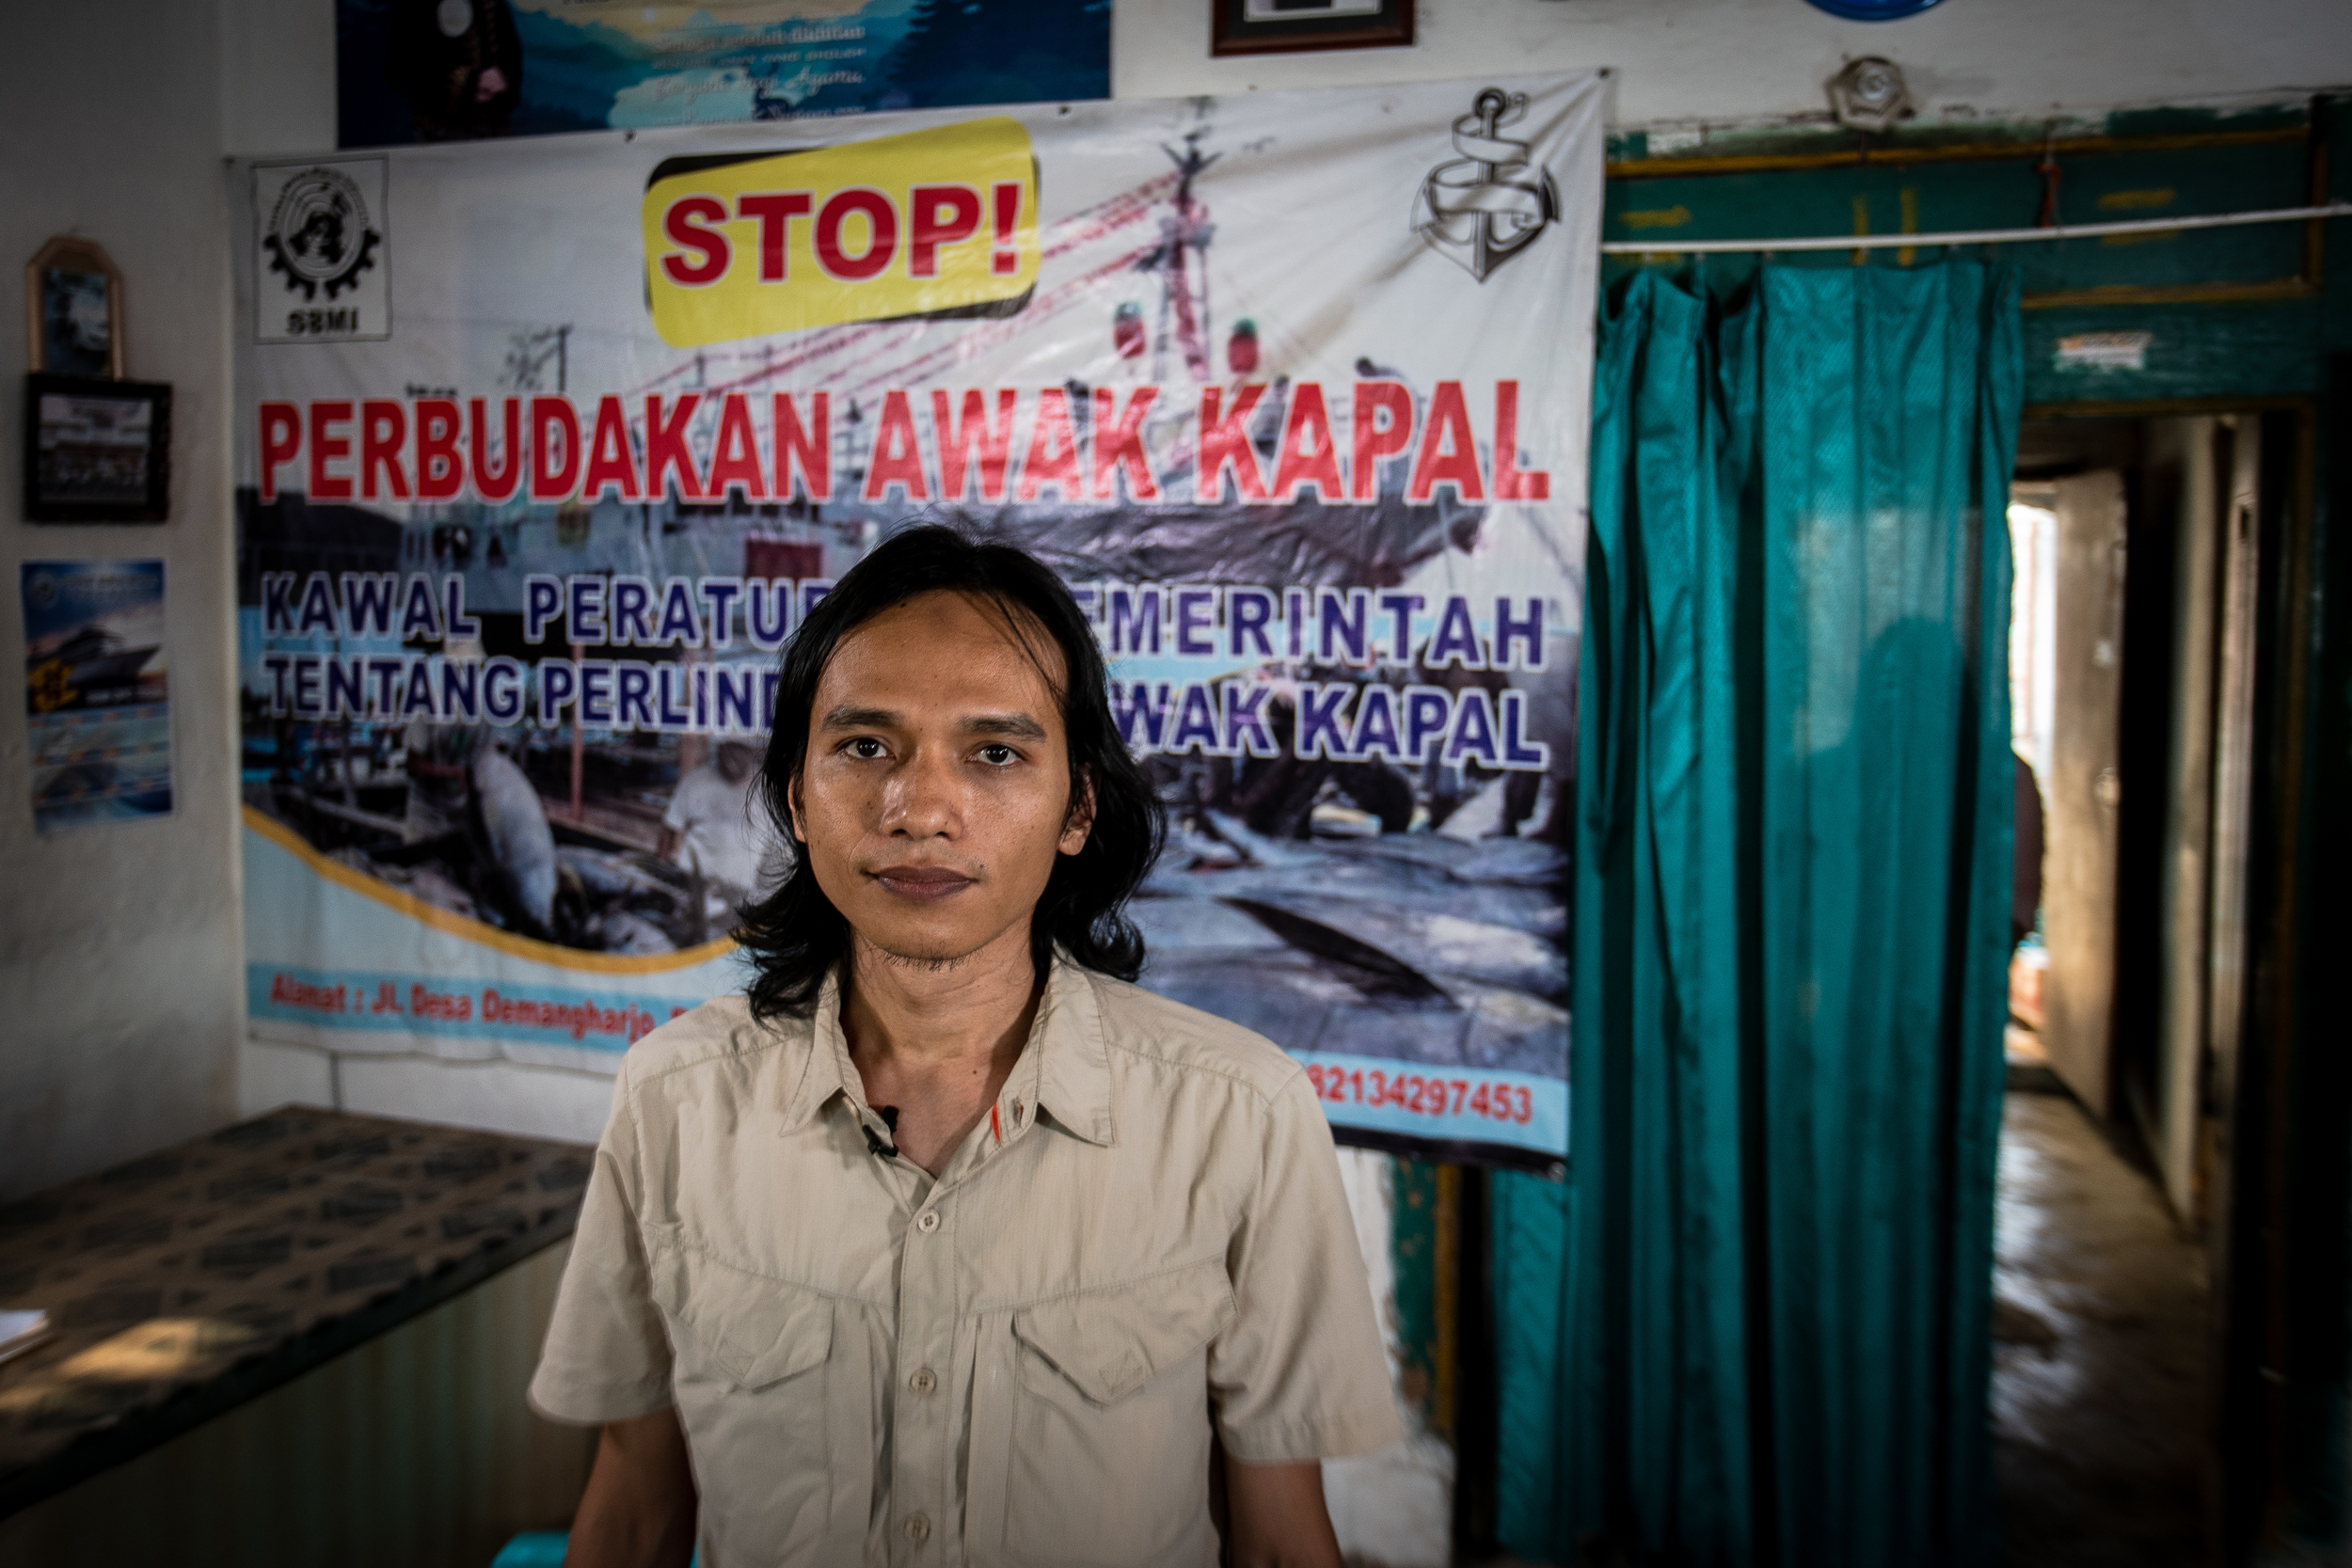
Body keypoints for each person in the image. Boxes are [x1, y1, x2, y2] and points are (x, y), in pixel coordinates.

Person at [529, 526, 1400, 1566]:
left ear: (1077, 806)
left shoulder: (1239, 1118)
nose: (921, 810)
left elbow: (1279, 1540)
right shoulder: (674, 1100)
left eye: (995, 753)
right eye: (866, 746)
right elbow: (633, 1511)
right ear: (797, 795)